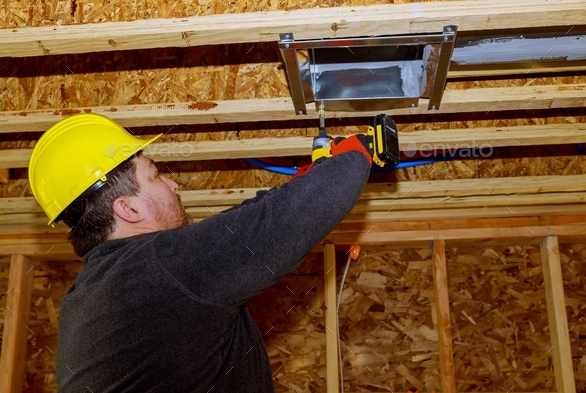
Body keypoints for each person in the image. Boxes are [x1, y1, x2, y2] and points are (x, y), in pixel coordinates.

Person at [28, 113, 372, 392]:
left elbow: (239, 225)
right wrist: (358, 152)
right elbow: (292, 217)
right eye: (156, 176)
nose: (173, 184)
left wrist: (305, 176)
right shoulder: (157, 268)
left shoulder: (93, 295)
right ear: (129, 210)